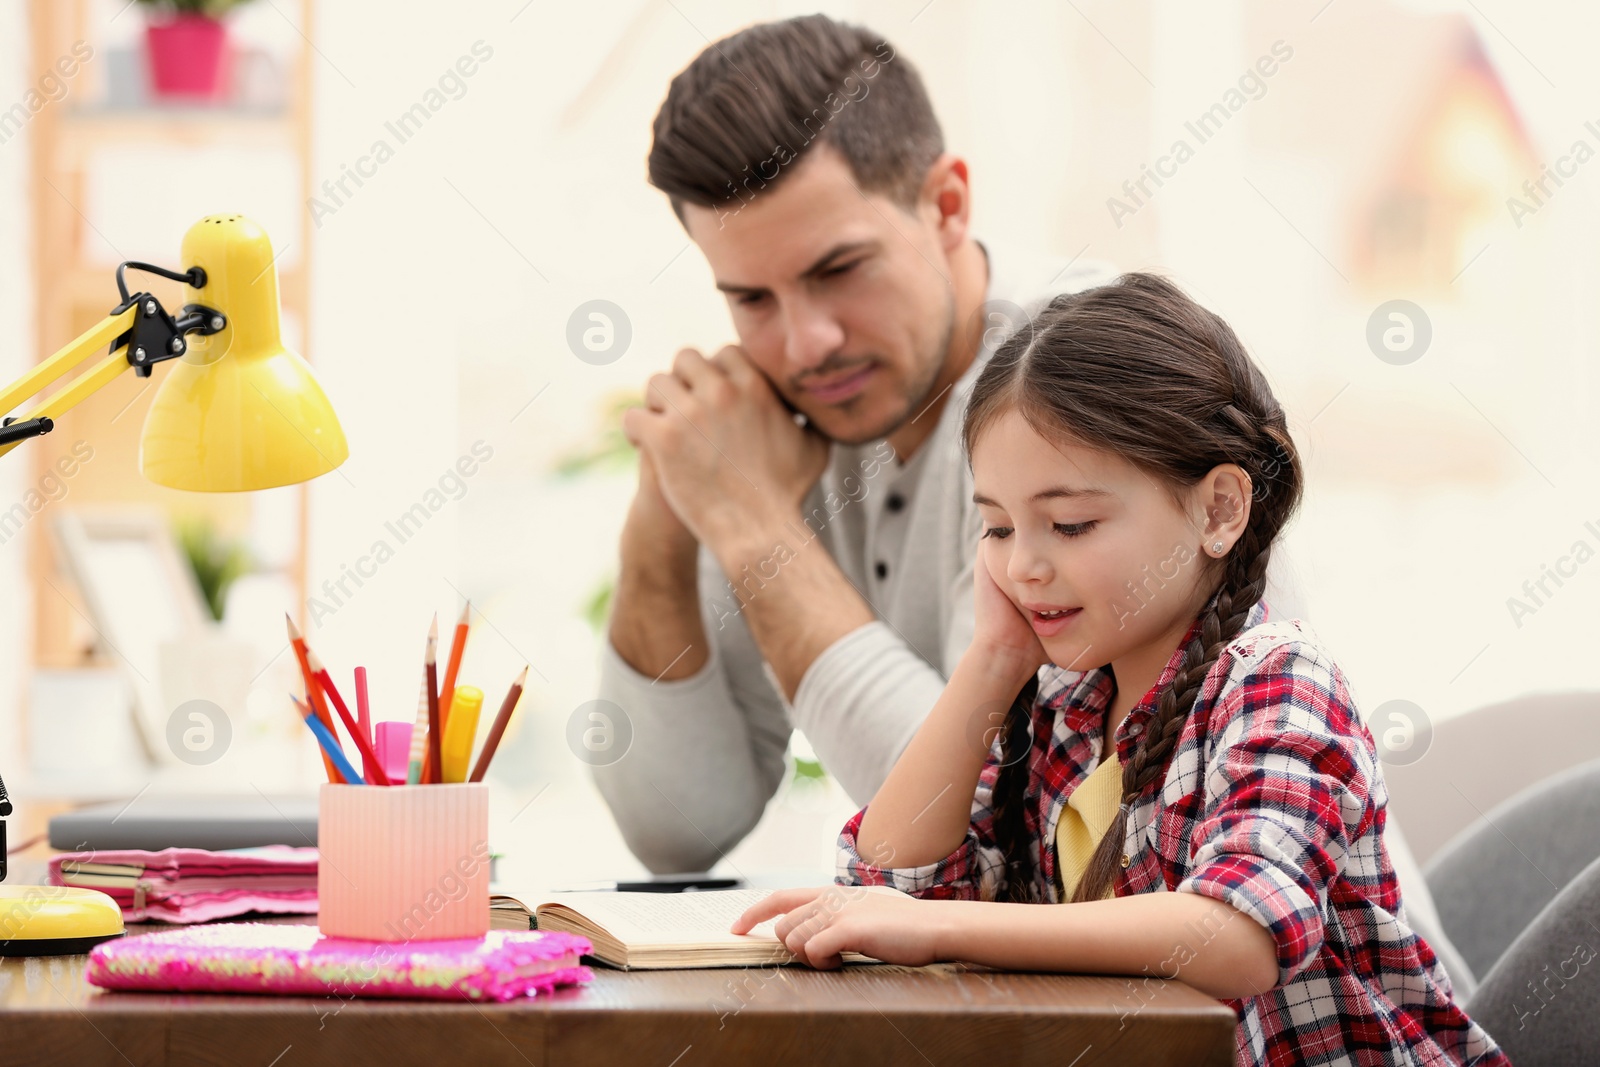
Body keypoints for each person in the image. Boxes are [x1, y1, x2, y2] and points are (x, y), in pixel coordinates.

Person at [733, 274, 1509, 1067]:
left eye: (1070, 523)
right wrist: (993, 658)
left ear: (1218, 510)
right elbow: (893, 881)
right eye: (996, 526)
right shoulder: (1066, 703)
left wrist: (934, 926)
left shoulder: (1279, 679)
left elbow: (1236, 935)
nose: (1024, 564)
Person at [592, 14, 1123, 872]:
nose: (806, 344)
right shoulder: (775, 422)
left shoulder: (1092, 371)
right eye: (751, 300)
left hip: (1269, 996)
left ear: (947, 203)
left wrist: (753, 524)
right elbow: (679, 829)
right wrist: (663, 513)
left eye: (838, 271)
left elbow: (988, 823)